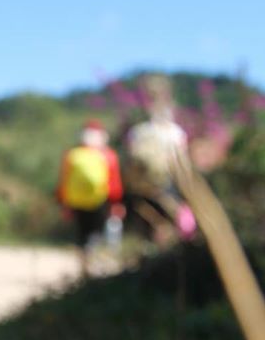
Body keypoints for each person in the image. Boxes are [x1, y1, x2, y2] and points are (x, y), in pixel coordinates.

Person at [123, 75, 195, 244]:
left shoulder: (141, 132)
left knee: (156, 225)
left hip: (154, 186)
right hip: (156, 186)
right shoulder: (168, 132)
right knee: (158, 224)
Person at [56, 119, 124, 276]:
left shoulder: (72, 154)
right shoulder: (108, 155)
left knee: (82, 232)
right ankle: (92, 261)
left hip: (76, 201)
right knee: (96, 232)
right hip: (100, 200)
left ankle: (84, 264)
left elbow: (63, 181)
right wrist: (116, 203)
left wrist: (64, 203)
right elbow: (114, 183)